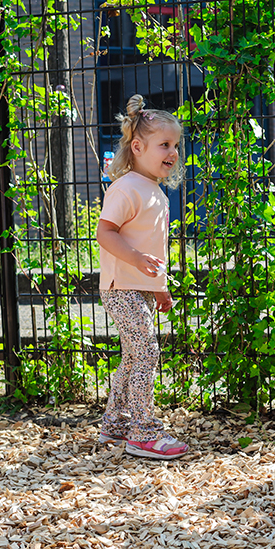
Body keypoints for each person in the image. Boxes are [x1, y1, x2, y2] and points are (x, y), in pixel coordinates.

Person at [95, 94, 189, 460]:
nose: (173, 152)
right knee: (146, 352)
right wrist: (134, 259)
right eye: (164, 144)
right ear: (137, 146)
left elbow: (154, 249)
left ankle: (116, 424)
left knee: (134, 357)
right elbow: (106, 233)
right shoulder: (126, 188)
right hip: (122, 288)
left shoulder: (156, 192)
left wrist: (160, 288)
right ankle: (143, 431)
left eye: (175, 145)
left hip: (141, 291)